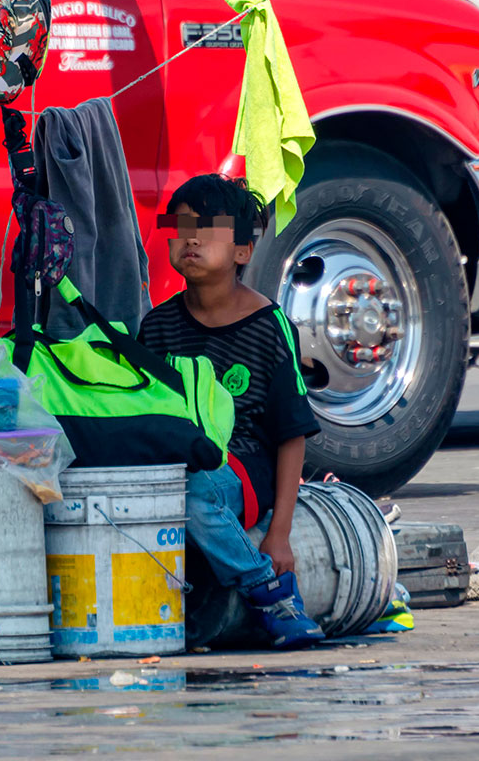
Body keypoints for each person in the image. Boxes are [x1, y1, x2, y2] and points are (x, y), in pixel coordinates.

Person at [138, 174, 324, 650]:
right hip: (174, 460)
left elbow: (291, 435)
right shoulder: (156, 326)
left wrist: (279, 533)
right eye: (180, 227)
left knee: (191, 493)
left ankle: (271, 592)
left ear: (243, 251)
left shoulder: (269, 326)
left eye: (208, 228)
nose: (190, 238)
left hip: (241, 464)